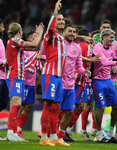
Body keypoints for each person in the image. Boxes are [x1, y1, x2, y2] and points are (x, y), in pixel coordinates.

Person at [6, 20, 44, 142]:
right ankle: (10, 132)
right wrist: (39, 34)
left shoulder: (16, 42)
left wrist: (39, 36)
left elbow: (36, 47)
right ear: (20, 31)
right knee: (17, 105)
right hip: (14, 76)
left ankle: (14, 132)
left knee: (16, 106)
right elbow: (34, 45)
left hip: (19, 76)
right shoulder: (14, 40)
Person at [39, 0, 69, 146]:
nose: (62, 21)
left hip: (59, 78)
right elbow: (50, 29)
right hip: (50, 74)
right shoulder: (49, 36)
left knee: (57, 107)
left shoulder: (61, 38)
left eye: (63, 19)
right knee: (48, 105)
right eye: (59, 19)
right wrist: (55, 11)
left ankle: (53, 137)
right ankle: (43, 137)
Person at [57, 24, 91, 142]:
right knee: (57, 109)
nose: (72, 33)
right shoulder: (60, 44)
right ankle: (48, 132)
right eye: (69, 31)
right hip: (59, 81)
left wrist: (84, 72)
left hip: (71, 84)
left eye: (74, 32)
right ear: (64, 32)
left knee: (69, 110)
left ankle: (60, 136)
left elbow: (79, 66)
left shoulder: (77, 48)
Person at [91, 29, 117, 143]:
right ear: (104, 38)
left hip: (108, 80)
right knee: (101, 108)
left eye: (113, 37)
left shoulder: (113, 47)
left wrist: (115, 66)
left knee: (116, 106)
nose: (113, 40)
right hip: (97, 81)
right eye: (111, 38)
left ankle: (111, 133)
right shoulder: (98, 47)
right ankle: (98, 134)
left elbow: (113, 60)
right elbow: (104, 62)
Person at [17, 30, 42, 140]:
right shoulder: (23, 50)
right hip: (23, 82)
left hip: (31, 84)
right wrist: (35, 57)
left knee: (28, 106)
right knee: (21, 106)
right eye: (36, 37)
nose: (39, 39)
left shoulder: (37, 53)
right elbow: (24, 64)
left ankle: (19, 129)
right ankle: (14, 130)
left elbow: (38, 67)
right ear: (31, 40)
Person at [0, 18, 8, 140]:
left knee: (3, 102)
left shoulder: (1, 40)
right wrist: (4, 61)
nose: (4, 28)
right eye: (2, 25)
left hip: (3, 76)